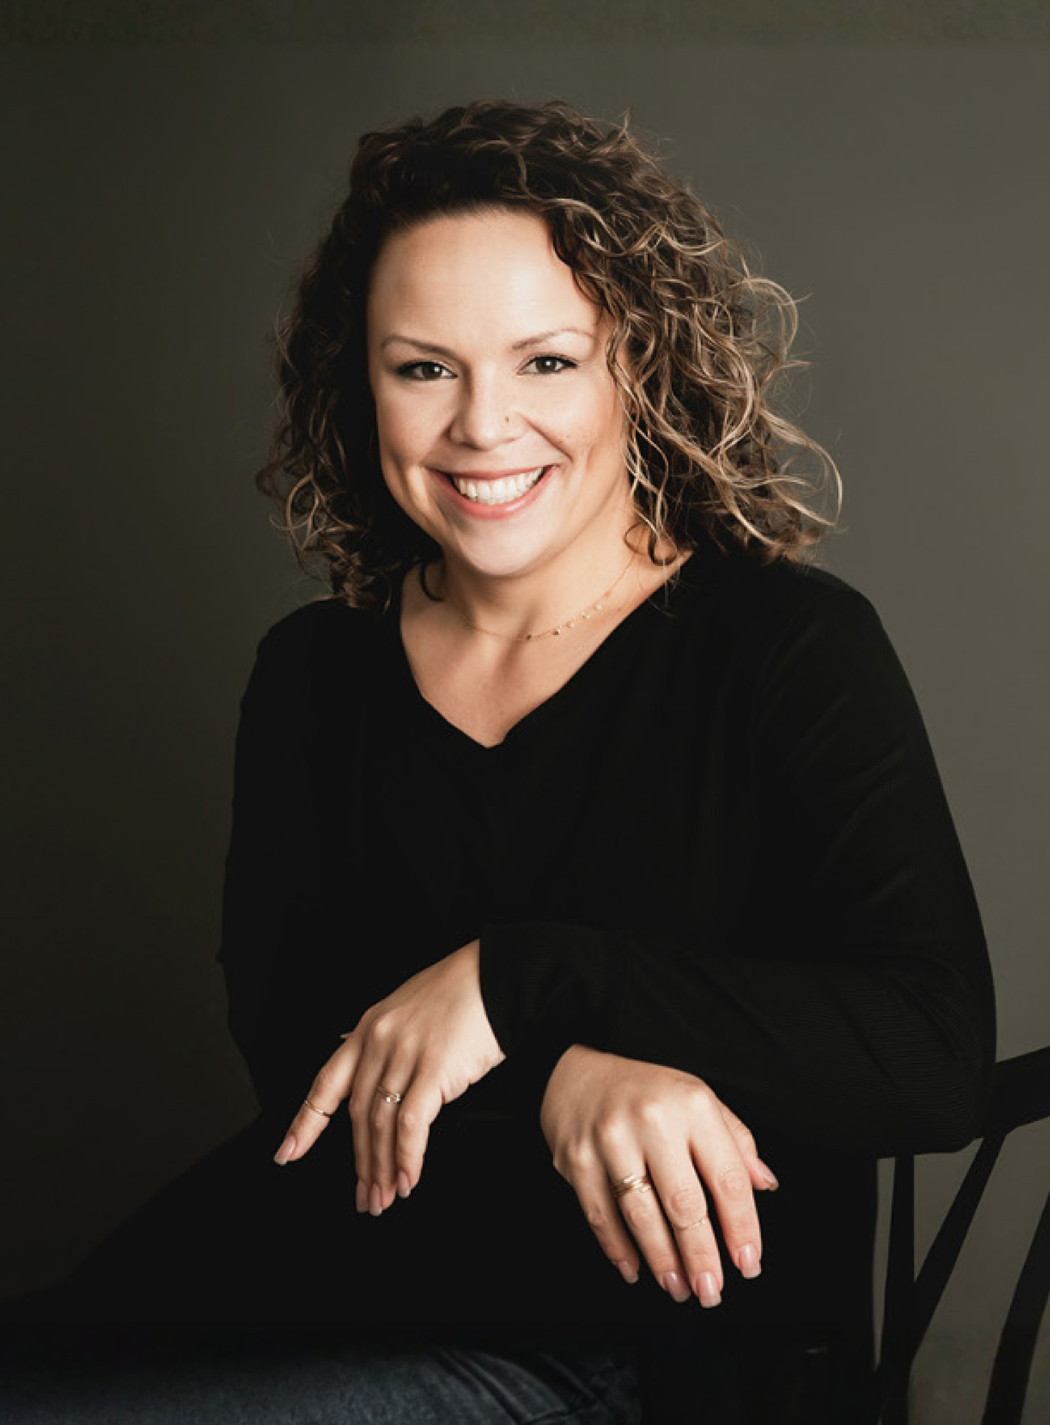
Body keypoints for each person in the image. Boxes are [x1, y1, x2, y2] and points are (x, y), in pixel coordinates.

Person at [3, 99, 996, 1425]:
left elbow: (929, 1057)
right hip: (314, 1278)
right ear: (359, 383)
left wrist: (521, 984)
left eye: (545, 362)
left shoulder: (784, 647)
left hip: (634, 1354)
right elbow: (302, 1059)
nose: (482, 426)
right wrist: (564, 1076)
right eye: (425, 368)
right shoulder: (314, 673)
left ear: (636, 369)